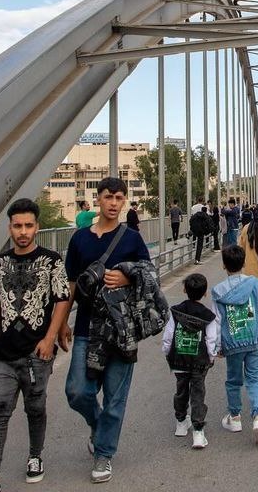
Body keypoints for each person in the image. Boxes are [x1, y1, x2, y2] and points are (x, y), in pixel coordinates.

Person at [0, 199, 70, 492]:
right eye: (17, 226)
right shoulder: (0, 263)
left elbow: (62, 299)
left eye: (28, 225)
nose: (23, 232)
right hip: (3, 351)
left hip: (36, 351)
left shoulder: (52, 261)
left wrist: (49, 339)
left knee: (35, 407)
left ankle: (35, 456)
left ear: (37, 227)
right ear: (10, 228)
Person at [62, 177, 154, 484]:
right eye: (108, 197)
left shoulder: (132, 239)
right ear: (98, 199)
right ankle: (98, 424)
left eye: (118, 198)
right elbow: (71, 283)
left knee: (116, 397)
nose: (114, 203)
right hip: (86, 326)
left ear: (124, 201)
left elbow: (149, 274)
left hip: (122, 329)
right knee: (77, 391)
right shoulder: (79, 239)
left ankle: (104, 454)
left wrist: (128, 276)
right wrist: (60, 323)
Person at [212, 244, 258, 445]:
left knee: (233, 380)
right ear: (243, 263)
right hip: (255, 339)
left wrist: (216, 346)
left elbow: (216, 322)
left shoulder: (218, 292)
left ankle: (235, 417)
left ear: (224, 265)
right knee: (255, 379)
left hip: (232, 343)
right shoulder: (255, 284)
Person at [161, 273, 218, 451]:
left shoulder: (175, 312)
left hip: (179, 360)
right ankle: (198, 431)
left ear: (184, 290)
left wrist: (167, 352)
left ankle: (181, 422)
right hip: (199, 362)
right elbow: (211, 340)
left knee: (181, 390)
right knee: (198, 393)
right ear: (205, 292)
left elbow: (168, 335)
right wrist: (211, 357)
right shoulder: (208, 316)